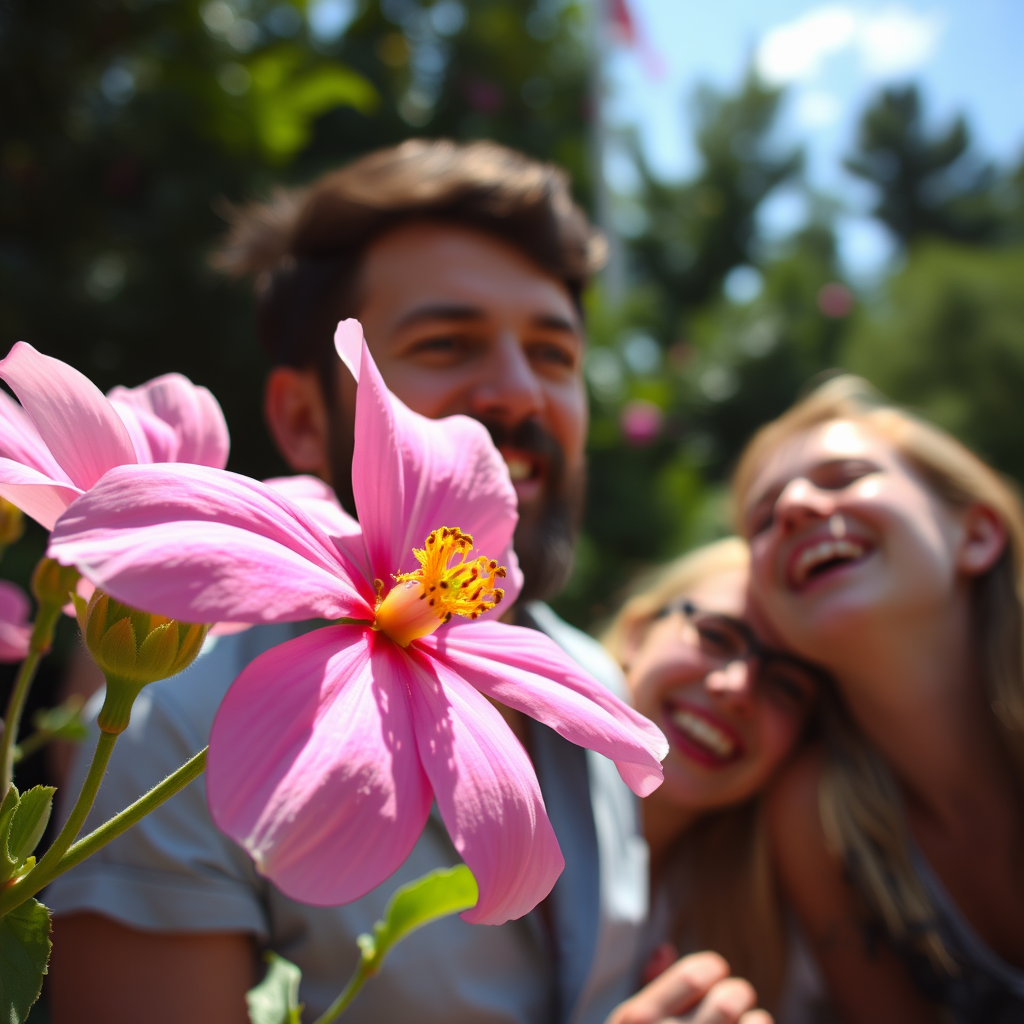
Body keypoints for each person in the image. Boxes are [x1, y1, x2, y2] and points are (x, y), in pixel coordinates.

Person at [47, 139, 771, 1024]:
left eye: (555, 355)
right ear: (306, 419)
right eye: (446, 341)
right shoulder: (170, 724)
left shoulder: (590, 685)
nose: (518, 393)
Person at [733, 375, 1024, 1023]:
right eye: (762, 517)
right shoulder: (817, 821)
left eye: (844, 476)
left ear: (975, 536)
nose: (795, 507)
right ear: (769, 615)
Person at [603, 537, 832, 1023]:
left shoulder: (780, 940)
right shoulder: (477, 789)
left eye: (787, 685)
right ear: (636, 635)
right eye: (715, 636)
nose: (736, 689)